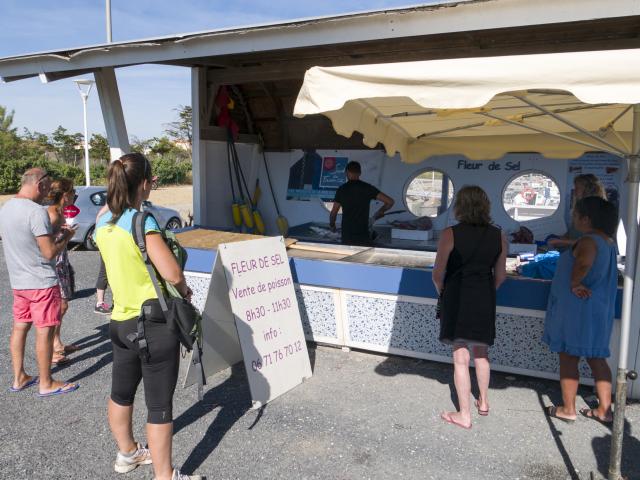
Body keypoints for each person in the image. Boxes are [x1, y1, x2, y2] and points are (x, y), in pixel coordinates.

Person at [95, 153, 200, 480]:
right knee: (159, 406)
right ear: (143, 183)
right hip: (152, 323)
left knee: (121, 393)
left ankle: (127, 453)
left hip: (120, 321)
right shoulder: (142, 222)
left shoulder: (103, 221)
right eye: (151, 180)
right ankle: (165, 475)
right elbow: (170, 272)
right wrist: (185, 290)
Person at [432, 185, 508, 429]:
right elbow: (501, 275)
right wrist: (487, 292)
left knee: (460, 357)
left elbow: (437, 273)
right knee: (482, 353)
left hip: (457, 296)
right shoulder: (499, 235)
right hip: (484, 296)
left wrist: (443, 293)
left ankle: (464, 415)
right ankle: (483, 402)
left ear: (459, 206)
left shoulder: (449, 233)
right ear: (486, 206)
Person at [0, 168, 79, 397]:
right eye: (47, 187)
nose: (47, 192)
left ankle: (19, 377)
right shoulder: (36, 212)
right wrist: (66, 237)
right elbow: (49, 253)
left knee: (20, 327)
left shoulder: (6, 208)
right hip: (41, 281)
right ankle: (46, 382)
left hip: (18, 281)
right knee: (44, 331)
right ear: (40, 184)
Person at [542, 196, 618, 424]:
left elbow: (584, 262)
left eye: (575, 214)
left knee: (568, 357)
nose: (573, 218)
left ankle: (568, 408)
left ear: (586, 218)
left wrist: (575, 282)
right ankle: (605, 409)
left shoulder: (588, 241)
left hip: (578, 309)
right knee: (597, 358)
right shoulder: (607, 241)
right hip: (598, 308)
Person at [46, 178, 80, 364]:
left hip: (62, 263)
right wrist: (66, 235)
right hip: (54, 266)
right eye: (73, 191)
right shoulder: (53, 214)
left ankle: (57, 343)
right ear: (65, 195)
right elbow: (46, 245)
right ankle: (50, 348)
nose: (75, 194)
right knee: (60, 306)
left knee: (62, 306)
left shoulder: (59, 213)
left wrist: (65, 232)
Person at [329, 161, 394, 245]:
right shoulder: (367, 188)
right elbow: (390, 202)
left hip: (347, 236)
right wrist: (381, 211)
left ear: (347, 173)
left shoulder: (341, 190)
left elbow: (334, 212)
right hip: (363, 235)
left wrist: (332, 225)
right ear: (360, 173)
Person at [548, 174, 607, 250]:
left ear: (587, 189)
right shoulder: (580, 208)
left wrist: (563, 242)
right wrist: (559, 238)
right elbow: (572, 233)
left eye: (577, 188)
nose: (574, 191)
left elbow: (594, 241)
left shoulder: (597, 210)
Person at [94, 203, 113, 315]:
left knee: (104, 271)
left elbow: (98, 217)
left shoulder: (107, 208)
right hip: (110, 243)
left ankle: (100, 303)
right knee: (107, 272)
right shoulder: (115, 206)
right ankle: (100, 303)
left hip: (103, 241)